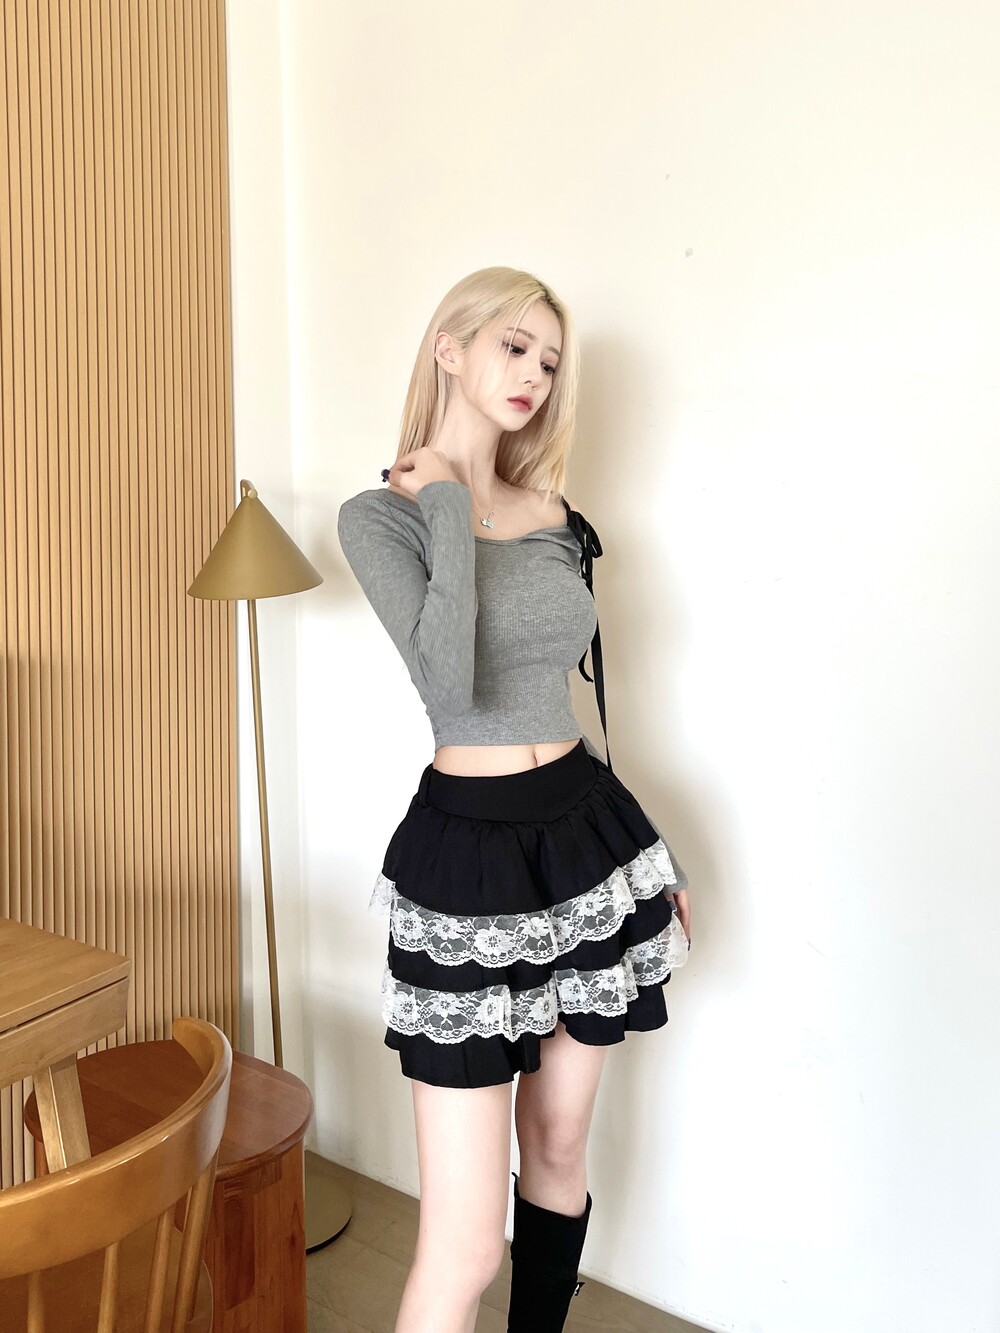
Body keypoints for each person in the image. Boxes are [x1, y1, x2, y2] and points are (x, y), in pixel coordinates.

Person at [337, 266, 692, 1333]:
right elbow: (449, 685)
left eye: (548, 357)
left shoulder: (555, 515)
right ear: (449, 348)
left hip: (588, 838)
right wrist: (448, 498)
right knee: (461, 1243)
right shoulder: (382, 517)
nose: (534, 371)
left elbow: (571, 699)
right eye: (512, 344)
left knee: (560, 1146)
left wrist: (653, 861)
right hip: (469, 860)